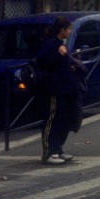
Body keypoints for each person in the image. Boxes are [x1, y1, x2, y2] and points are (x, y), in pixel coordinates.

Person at [36, 16, 84, 165]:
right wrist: (59, 55)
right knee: (51, 119)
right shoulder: (50, 44)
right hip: (54, 88)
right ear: (62, 30)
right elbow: (43, 62)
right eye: (69, 29)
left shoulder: (60, 44)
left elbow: (59, 64)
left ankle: (57, 149)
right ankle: (48, 152)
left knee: (62, 120)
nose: (70, 32)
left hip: (65, 88)